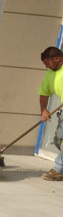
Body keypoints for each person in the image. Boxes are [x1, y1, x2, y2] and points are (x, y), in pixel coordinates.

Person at [38, 46, 63, 181]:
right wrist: (44, 110)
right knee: (58, 140)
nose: (46, 66)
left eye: (47, 63)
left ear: (57, 58)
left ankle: (59, 169)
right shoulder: (50, 74)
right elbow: (44, 93)